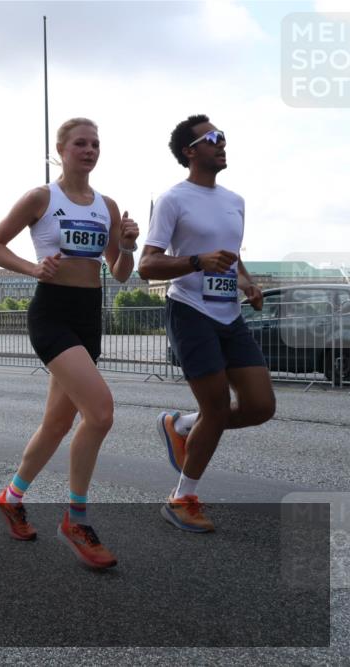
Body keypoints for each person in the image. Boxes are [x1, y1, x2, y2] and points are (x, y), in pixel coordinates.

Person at [0, 118, 138, 569]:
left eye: (95, 144)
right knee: (101, 412)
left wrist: (127, 245)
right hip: (52, 315)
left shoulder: (107, 205)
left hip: (89, 317)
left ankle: (11, 497)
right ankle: (77, 518)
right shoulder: (41, 198)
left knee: (55, 425)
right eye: (80, 144)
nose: (89, 150)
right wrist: (33, 270)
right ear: (61, 150)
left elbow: (122, 272)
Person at [138, 114, 275, 533]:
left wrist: (247, 282)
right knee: (215, 407)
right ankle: (182, 498)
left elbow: (232, 253)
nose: (222, 143)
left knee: (260, 406)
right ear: (190, 151)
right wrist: (196, 261)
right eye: (212, 138)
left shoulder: (235, 200)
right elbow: (147, 265)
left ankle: (180, 425)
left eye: (223, 137)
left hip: (229, 313)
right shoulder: (172, 199)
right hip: (190, 311)